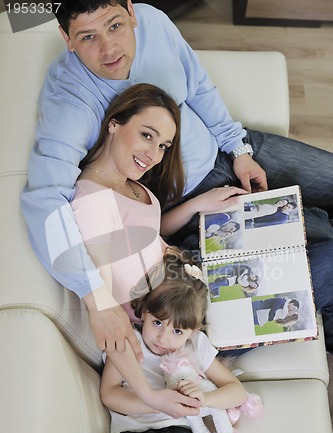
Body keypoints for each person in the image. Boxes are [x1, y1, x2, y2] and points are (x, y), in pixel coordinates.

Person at [20, 0, 333, 351]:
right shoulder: (69, 101)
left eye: (115, 26)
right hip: (183, 197)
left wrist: (239, 150)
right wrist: (97, 299)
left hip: (226, 149)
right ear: (66, 37)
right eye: (88, 36)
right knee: (323, 235)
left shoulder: (154, 21)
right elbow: (45, 198)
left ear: (132, 12)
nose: (109, 49)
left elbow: (198, 86)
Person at [69, 81, 244, 417]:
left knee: (302, 226)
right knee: (322, 261)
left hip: (185, 270)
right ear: (114, 124)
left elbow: (150, 232)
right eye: (147, 135)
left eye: (163, 145)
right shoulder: (92, 202)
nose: (154, 155)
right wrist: (148, 394)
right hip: (176, 316)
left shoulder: (129, 183)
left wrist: (198, 205)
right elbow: (107, 310)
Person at [94, 247, 247, 433]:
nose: (163, 338)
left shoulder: (195, 345)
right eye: (157, 323)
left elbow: (237, 391)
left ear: (193, 331)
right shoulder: (128, 340)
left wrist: (203, 399)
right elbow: (109, 394)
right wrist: (156, 403)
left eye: (178, 332)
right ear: (143, 310)